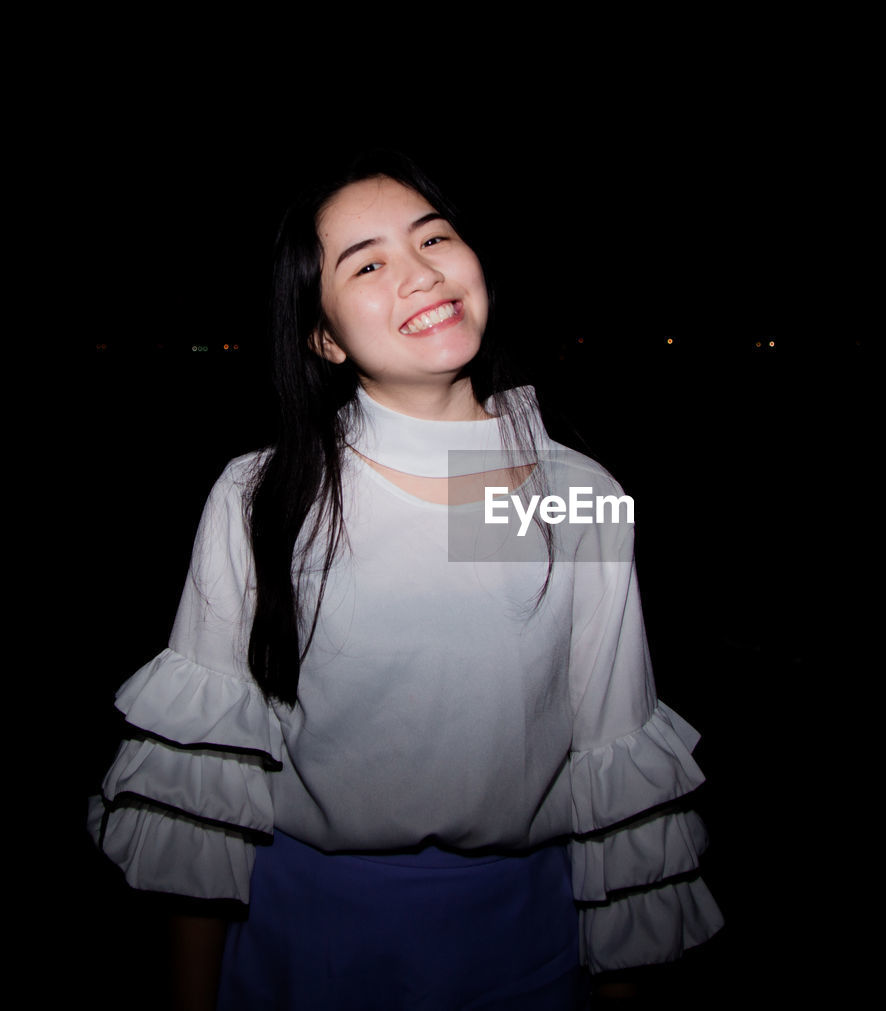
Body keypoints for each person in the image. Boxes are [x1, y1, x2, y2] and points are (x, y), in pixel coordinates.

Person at [88, 150, 722, 1010]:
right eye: (370, 263)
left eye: (435, 238)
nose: (421, 273)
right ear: (325, 335)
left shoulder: (578, 495)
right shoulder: (262, 496)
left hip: (521, 947)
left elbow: (618, 772)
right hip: (298, 948)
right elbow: (199, 788)